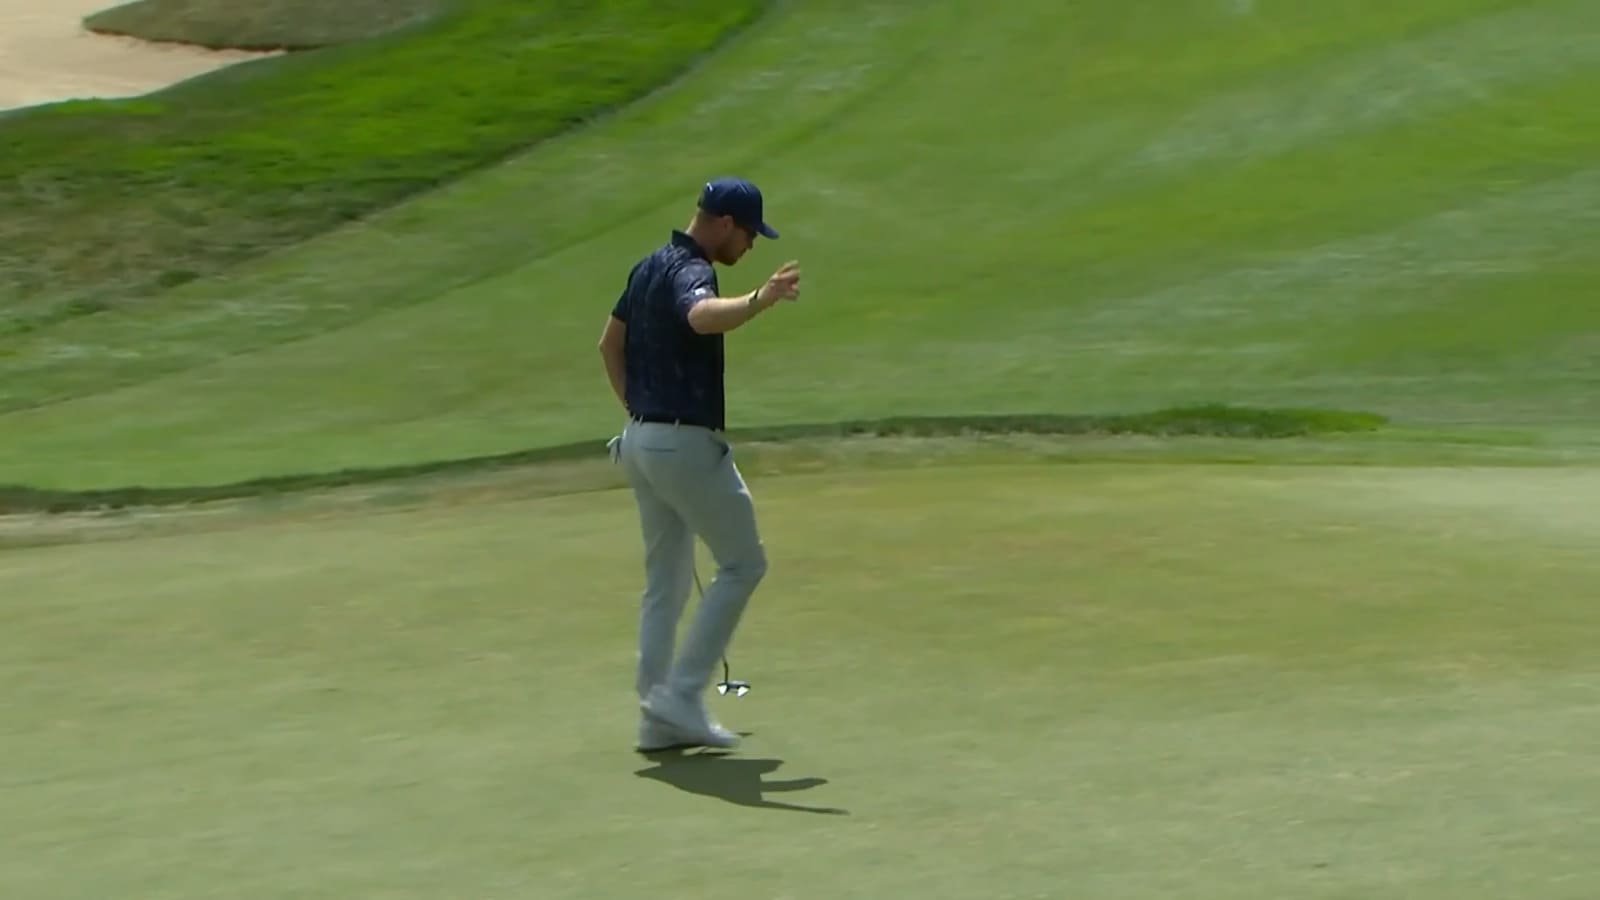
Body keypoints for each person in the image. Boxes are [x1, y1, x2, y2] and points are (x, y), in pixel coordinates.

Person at [597, 176, 802, 752]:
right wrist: (759, 300)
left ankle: (655, 712)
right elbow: (700, 316)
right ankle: (680, 696)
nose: (750, 247)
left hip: (639, 442)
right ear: (723, 223)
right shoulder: (693, 270)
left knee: (664, 583)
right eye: (748, 234)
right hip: (683, 444)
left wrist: (639, 413)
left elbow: (608, 345)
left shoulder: (646, 267)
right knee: (742, 564)